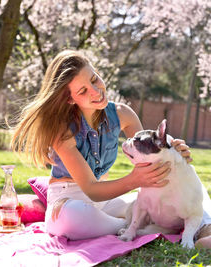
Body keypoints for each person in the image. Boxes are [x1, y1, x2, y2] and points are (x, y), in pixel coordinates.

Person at [11, 49, 211, 246]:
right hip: (68, 202)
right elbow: (91, 189)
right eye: (83, 90)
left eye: (94, 79)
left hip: (108, 201)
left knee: (190, 182)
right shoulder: (62, 129)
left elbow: (148, 157)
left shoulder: (122, 113)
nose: (96, 91)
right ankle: (131, 227)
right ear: (70, 98)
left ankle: (206, 227)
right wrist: (133, 180)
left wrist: (173, 154)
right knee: (70, 218)